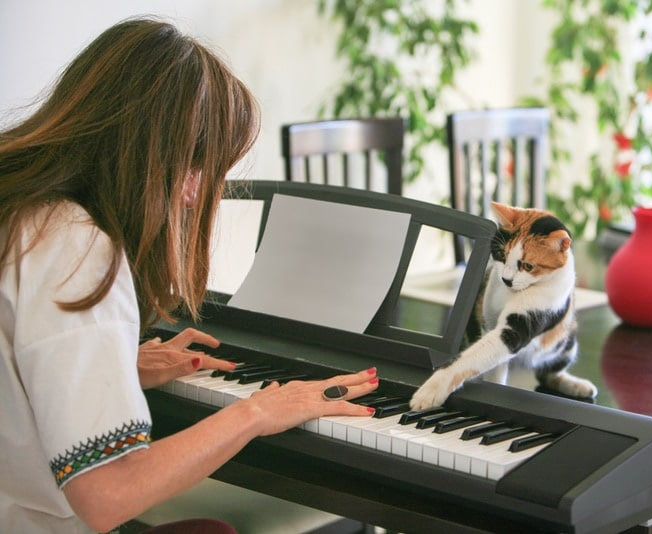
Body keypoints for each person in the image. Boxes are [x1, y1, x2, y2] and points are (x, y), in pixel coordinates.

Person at [0, 17, 379, 533]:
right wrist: (257, 411)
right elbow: (109, 493)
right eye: (198, 168)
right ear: (152, 153)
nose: (195, 196)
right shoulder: (75, 245)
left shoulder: (20, 209)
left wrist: (113, 367)